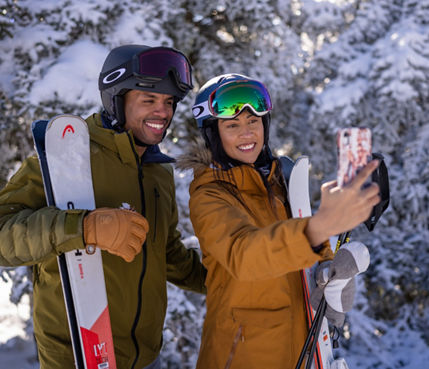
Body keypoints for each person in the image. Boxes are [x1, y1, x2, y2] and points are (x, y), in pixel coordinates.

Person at [0, 44, 206, 369]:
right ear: (117, 99)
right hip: (74, 357)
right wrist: (83, 229)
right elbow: (3, 235)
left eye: (168, 102)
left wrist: (225, 278)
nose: (162, 112)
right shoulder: (66, 155)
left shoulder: (158, 172)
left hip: (143, 359)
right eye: (149, 99)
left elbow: (167, 255)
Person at [178, 73, 380, 369]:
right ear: (212, 134)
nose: (247, 133)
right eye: (232, 125)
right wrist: (318, 228)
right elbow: (244, 255)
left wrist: (332, 277)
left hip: (300, 349)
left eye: (253, 122)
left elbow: (305, 257)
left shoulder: (280, 183)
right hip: (240, 357)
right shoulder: (209, 195)